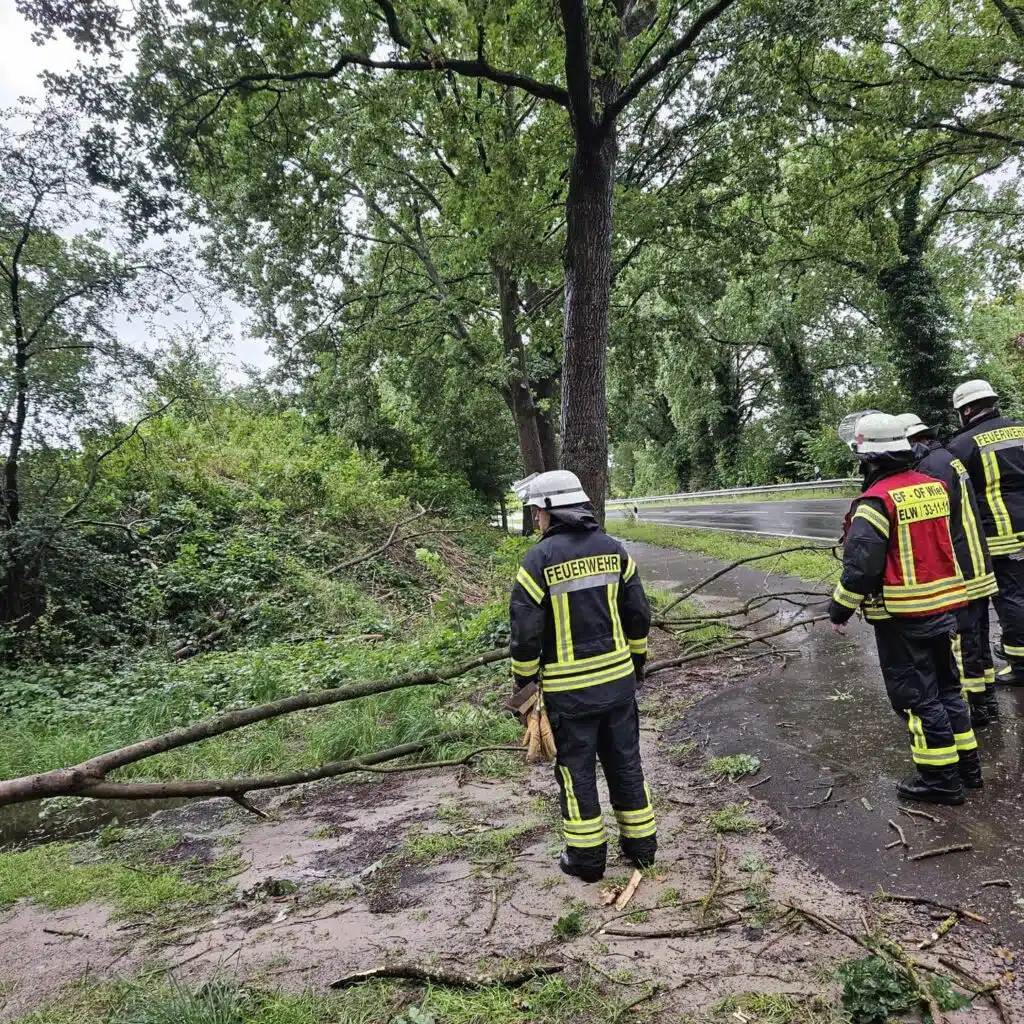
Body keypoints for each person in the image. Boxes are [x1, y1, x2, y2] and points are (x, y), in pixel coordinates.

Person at [509, 470, 655, 882]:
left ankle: (587, 861)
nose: (535, 519)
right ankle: (642, 848)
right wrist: (637, 662)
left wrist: (524, 685)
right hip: (618, 685)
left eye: (536, 512)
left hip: (570, 694)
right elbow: (639, 615)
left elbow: (525, 636)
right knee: (625, 762)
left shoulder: (536, 562)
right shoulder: (615, 551)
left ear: (551, 510)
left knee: (577, 772)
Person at [829, 413, 982, 804]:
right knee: (949, 690)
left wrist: (838, 610)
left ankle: (940, 780)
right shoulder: (933, 488)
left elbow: (860, 570)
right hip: (943, 608)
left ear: (869, 458)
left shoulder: (874, 503)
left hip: (901, 617)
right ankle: (968, 769)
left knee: (917, 698)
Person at [896, 413, 998, 726]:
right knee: (978, 639)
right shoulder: (948, 459)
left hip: (962, 568)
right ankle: (988, 702)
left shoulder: (929, 468)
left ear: (913, 442)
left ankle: (973, 711)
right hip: (978, 561)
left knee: (964, 642)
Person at [948, 380, 1024, 685]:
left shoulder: (964, 445)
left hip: (1002, 535)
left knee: (1012, 598)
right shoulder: (1021, 429)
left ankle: (1020, 665)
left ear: (967, 410)